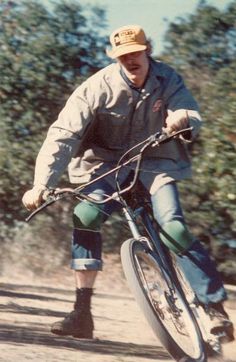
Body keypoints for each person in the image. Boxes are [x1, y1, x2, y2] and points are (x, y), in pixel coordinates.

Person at [22, 25, 234, 342]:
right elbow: (62, 137)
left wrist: (184, 119)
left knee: (173, 228)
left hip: (157, 162)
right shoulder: (96, 87)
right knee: (86, 215)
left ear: (147, 49)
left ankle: (213, 306)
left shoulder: (168, 79)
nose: (130, 60)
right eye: (123, 56)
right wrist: (41, 183)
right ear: (115, 57)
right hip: (105, 165)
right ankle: (82, 313)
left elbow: (190, 110)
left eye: (135, 52)